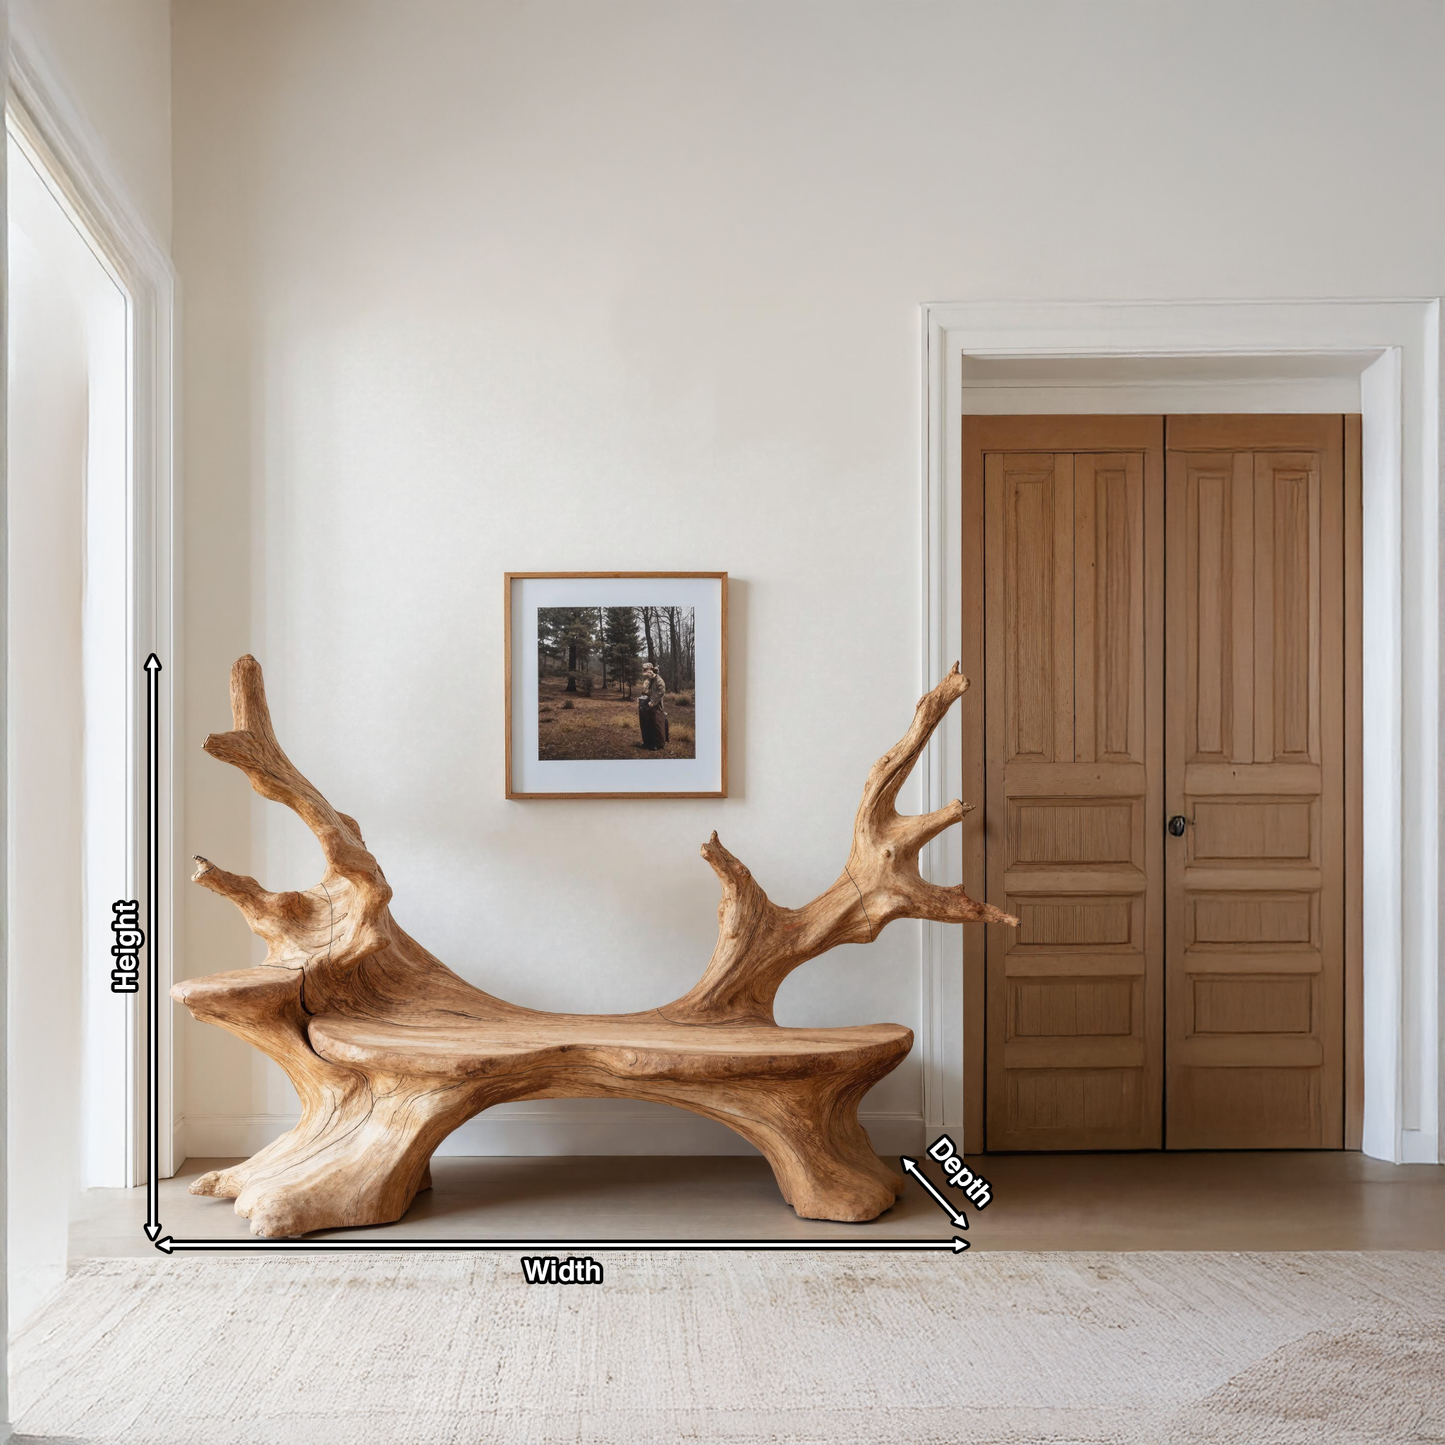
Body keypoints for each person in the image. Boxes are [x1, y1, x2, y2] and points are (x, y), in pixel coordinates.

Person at [637, 662, 669, 750]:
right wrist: (643, 697)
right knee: (645, 725)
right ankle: (647, 742)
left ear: (650, 670)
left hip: (656, 706)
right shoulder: (647, 680)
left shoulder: (659, 680)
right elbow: (645, 691)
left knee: (656, 725)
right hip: (646, 705)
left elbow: (661, 692)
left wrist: (652, 701)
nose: (644, 673)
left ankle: (658, 744)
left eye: (646, 670)